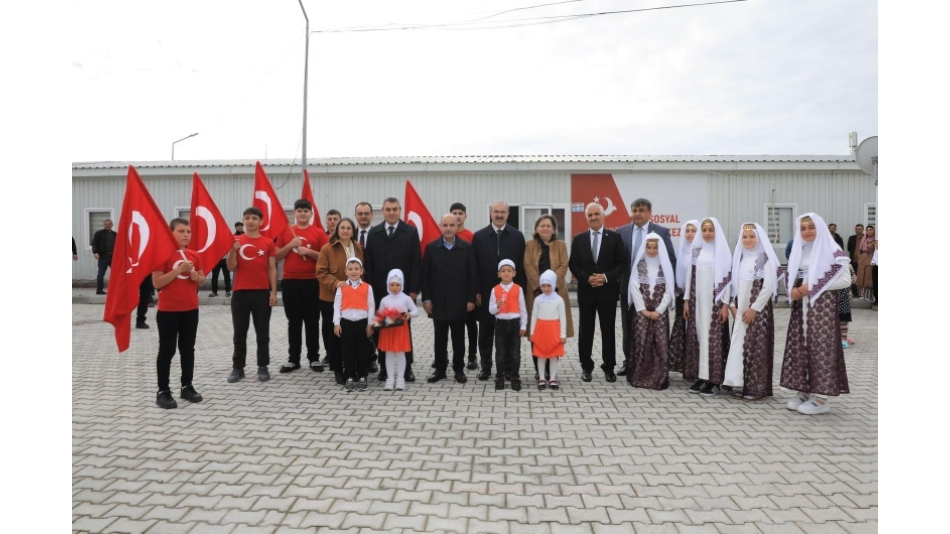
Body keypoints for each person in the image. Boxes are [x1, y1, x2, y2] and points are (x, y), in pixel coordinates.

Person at [781, 213, 851, 415]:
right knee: (801, 346)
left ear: (820, 228)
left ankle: (821, 397)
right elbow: (793, 275)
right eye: (803, 228)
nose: (807, 232)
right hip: (800, 309)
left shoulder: (832, 250)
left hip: (822, 309)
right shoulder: (799, 249)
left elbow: (845, 280)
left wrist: (814, 287)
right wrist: (792, 290)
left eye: (811, 227)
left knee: (821, 347)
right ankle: (803, 390)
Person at [568, 202, 629, 383]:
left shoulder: (615, 238)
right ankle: (586, 367)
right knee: (585, 331)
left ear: (604, 216)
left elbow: (622, 263)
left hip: (607, 293)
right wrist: (587, 278)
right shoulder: (579, 239)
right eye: (590, 215)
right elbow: (574, 264)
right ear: (586, 218)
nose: (593, 217)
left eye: (597, 214)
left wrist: (605, 277)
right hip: (587, 292)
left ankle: (609, 368)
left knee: (608, 331)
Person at [363, 197, 422, 382]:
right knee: (382, 331)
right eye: (388, 209)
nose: (391, 212)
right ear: (383, 211)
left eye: (395, 209)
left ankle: (407, 369)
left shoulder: (410, 232)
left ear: (400, 210)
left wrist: (413, 291)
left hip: (402, 294)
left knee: (404, 330)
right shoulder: (374, 233)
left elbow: (416, 263)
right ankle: (384, 368)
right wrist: (371, 291)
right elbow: (369, 264)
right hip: (381, 292)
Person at [151, 218, 206, 409]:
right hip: (168, 311)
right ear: (171, 233)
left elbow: (202, 278)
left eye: (188, 232)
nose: (186, 235)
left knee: (187, 349)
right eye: (181, 231)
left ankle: (187, 386)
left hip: (191, 309)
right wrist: (180, 270)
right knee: (167, 350)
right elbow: (157, 283)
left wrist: (197, 277)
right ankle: (163, 390)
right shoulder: (161, 255)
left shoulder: (194, 255)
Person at [618, 199, 676, 374]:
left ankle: (655, 363)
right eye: (634, 210)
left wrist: (665, 284)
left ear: (650, 212)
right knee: (629, 326)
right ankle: (629, 361)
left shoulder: (661, 232)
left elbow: (670, 260)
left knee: (654, 328)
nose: (637, 213)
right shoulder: (622, 232)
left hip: (655, 290)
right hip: (629, 288)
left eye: (641, 210)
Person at [722, 223, 779, 401]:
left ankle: (758, 388)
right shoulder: (739, 258)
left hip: (758, 312)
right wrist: (732, 306)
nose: (747, 240)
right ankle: (741, 383)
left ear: (759, 238)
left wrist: (754, 309)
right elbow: (733, 286)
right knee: (741, 347)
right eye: (744, 237)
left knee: (757, 347)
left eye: (752, 236)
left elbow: (768, 287)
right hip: (740, 312)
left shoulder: (765, 259)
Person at [472, 201, 526, 381]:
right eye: (496, 212)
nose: (499, 215)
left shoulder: (517, 237)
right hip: (488, 294)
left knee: (509, 336)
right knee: (486, 332)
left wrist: (520, 293)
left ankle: (509, 369)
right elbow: (474, 267)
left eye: (503, 212)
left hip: (511, 295)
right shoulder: (479, 237)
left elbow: (521, 266)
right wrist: (477, 290)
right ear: (491, 213)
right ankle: (486, 367)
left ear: (508, 215)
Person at [422, 214, 477, 384]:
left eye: (451, 225)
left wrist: (470, 299)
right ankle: (440, 370)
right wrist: (426, 299)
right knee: (440, 338)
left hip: (459, 301)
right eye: (445, 225)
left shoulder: (466, 248)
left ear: (457, 225)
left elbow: (471, 275)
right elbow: (426, 276)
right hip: (438, 301)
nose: (448, 228)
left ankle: (459, 369)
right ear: (440, 226)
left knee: (458, 338)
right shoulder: (431, 248)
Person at [276, 199, 329, 374]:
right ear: (294, 213)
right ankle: (293, 359)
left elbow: (325, 256)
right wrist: (290, 245)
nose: (303, 213)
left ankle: (314, 358)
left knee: (312, 321)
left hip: (313, 282)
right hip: (290, 282)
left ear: (311, 213)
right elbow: (276, 256)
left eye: (306, 211)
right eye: (299, 210)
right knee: (294, 322)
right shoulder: (286, 232)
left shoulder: (318, 232)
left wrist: (308, 252)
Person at [226, 207, 278, 384]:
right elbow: (231, 267)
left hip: (261, 293)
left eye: (254, 218)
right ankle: (237, 368)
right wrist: (233, 250)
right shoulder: (236, 240)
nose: (250, 221)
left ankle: (263, 366)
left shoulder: (267, 242)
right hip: (240, 293)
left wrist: (273, 291)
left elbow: (272, 268)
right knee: (239, 333)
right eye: (247, 218)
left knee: (262, 333)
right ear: (243, 220)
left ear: (261, 221)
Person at [682, 217, 732, 397]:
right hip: (697, 302)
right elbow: (690, 278)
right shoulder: (697, 251)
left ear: (716, 232)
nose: (707, 233)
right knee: (699, 338)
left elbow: (727, 281)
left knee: (714, 340)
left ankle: (715, 380)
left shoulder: (722, 252)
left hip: (715, 303)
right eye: (704, 230)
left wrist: (725, 305)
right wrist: (686, 300)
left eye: (711, 230)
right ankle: (702, 377)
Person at [523, 214, 573, 381]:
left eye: (548, 226)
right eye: (542, 225)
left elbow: (563, 265)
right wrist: (540, 285)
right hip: (536, 292)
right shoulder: (529, 245)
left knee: (554, 331)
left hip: (556, 293)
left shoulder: (561, 245)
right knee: (537, 330)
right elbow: (527, 264)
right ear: (536, 228)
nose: (545, 228)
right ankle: (539, 368)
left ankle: (551, 370)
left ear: (554, 229)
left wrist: (551, 285)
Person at [317, 217, 364, 385]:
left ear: (353, 231)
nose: (345, 230)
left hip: (353, 301)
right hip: (331, 299)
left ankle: (352, 368)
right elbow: (321, 272)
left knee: (351, 336)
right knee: (334, 335)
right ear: (337, 230)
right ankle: (337, 369)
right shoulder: (327, 249)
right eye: (342, 227)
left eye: (348, 228)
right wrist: (336, 284)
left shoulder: (359, 249)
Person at [625, 233, 674, 390]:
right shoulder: (639, 266)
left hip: (660, 315)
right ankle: (639, 375)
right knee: (641, 343)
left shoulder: (665, 266)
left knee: (660, 344)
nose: (652, 251)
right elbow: (634, 288)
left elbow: (669, 291)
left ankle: (659, 376)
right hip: (642, 314)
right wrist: (643, 310)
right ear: (644, 248)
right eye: (649, 247)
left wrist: (659, 310)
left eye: (655, 247)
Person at [333, 257, 375, 392]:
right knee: (347, 352)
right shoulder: (342, 287)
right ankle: (349, 376)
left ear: (362, 271)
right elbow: (337, 306)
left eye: (356, 269)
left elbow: (371, 306)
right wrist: (336, 323)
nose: (353, 272)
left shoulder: (367, 288)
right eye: (350, 269)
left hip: (362, 324)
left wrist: (370, 324)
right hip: (346, 324)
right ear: (345, 271)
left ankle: (362, 376)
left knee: (362, 351)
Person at [377, 269, 419, 391]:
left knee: (401, 354)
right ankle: (390, 379)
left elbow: (415, 311)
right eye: (392, 285)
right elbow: (380, 314)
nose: (395, 288)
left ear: (402, 285)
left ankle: (400, 379)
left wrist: (409, 314)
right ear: (387, 285)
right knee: (388, 354)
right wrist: (379, 317)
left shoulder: (406, 298)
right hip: (388, 331)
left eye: (397, 285)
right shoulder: (384, 299)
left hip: (401, 330)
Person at [489, 259, 527, 391]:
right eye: (503, 271)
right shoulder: (495, 289)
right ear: (498, 274)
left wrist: (523, 326)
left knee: (515, 352)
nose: (506, 273)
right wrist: (496, 306)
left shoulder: (518, 289)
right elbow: (491, 309)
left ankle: (514, 376)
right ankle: (499, 376)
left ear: (514, 273)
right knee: (501, 352)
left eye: (509, 271)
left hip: (515, 323)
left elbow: (523, 309)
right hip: (500, 323)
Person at [450, 202, 478, 370]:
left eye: (461, 213)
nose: (458, 216)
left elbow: (474, 266)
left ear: (465, 216)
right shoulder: (445, 235)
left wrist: (475, 292)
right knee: (450, 326)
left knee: (470, 324)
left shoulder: (471, 236)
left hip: (467, 290)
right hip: (451, 291)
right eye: (455, 213)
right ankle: (447, 356)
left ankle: (472, 355)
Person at [669, 220, 699, 377]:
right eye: (687, 230)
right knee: (684, 331)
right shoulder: (682, 251)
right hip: (683, 297)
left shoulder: (703, 251)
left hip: (698, 298)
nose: (690, 233)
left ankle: (698, 368)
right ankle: (687, 366)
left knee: (696, 331)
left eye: (694, 230)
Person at [530, 270, 567, 391]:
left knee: (553, 355)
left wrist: (563, 334)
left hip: (554, 329)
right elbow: (534, 316)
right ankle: (541, 378)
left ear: (554, 284)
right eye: (543, 285)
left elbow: (563, 317)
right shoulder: (538, 300)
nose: (546, 288)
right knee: (541, 355)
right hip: (541, 330)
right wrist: (532, 332)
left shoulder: (559, 300)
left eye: (549, 285)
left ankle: (552, 378)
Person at [92, 219, 117, 294]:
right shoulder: (99, 233)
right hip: (103, 256)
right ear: (103, 225)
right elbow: (94, 243)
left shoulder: (115, 234)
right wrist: (95, 252)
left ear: (111, 225)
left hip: (113, 257)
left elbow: (119, 245)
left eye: (109, 224)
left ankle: (115, 289)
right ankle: (99, 290)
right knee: (101, 274)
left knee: (116, 274)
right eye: (106, 224)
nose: (107, 225)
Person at [855, 224, 876, 301]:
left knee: (868, 278)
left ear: (874, 231)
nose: (869, 231)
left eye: (871, 230)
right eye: (867, 230)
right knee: (861, 277)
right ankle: (862, 295)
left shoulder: (875, 240)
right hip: (862, 260)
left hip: (870, 259)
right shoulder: (864, 239)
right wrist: (860, 257)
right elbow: (859, 250)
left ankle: (869, 296)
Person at [839, 263, 857, 348]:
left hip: (845, 296)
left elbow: (854, 278)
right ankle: (839, 337)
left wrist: (848, 281)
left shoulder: (848, 265)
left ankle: (844, 338)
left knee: (844, 320)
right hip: (833, 297)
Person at [847, 224, 863, 298]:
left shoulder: (865, 238)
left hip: (862, 261)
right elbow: (849, 248)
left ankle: (861, 293)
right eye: (856, 229)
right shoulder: (852, 238)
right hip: (853, 261)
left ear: (862, 230)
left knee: (861, 276)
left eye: (859, 229)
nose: (858, 230)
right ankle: (854, 292)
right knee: (853, 277)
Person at [871, 244, 878, 311]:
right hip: (875, 269)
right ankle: (877, 301)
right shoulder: (876, 251)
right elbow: (873, 260)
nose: (876, 244)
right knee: (876, 285)